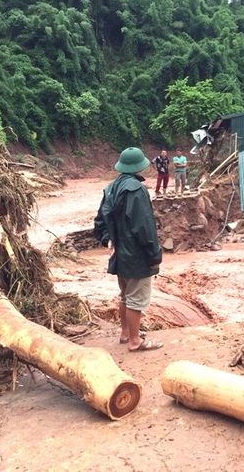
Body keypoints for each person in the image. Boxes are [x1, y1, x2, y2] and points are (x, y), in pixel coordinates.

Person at [94, 147, 164, 352]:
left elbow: (99, 221)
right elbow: (144, 226)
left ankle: (125, 333)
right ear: (139, 166)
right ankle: (135, 341)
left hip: (120, 254)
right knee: (136, 298)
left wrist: (108, 240)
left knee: (125, 295)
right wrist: (154, 255)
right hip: (136, 255)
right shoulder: (136, 189)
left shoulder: (110, 188)